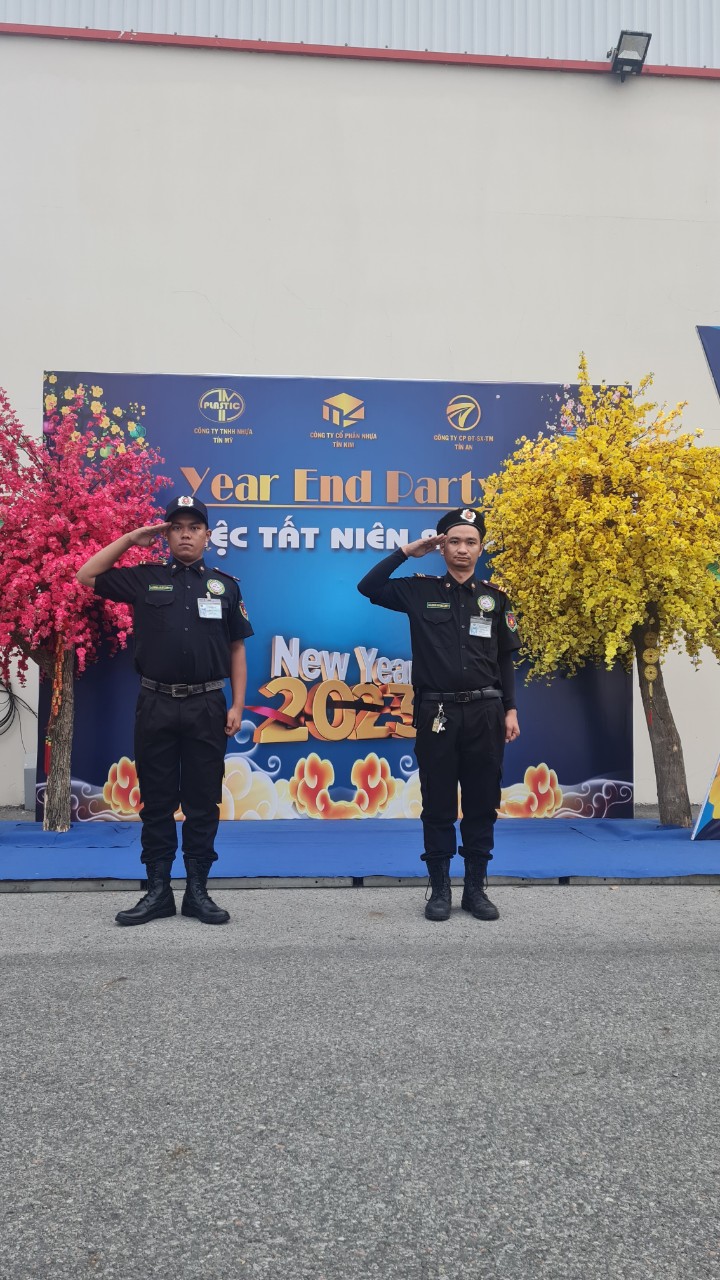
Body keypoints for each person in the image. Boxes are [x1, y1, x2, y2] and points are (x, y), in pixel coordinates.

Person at [76, 495, 253, 927]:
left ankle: (197, 892)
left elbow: (236, 648)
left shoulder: (225, 586)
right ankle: (157, 892)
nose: (185, 534)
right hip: (155, 702)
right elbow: (86, 575)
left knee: (202, 801)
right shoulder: (146, 578)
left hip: (207, 706)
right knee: (156, 801)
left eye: (194, 527)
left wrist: (237, 704)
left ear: (208, 536)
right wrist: (130, 538)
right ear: (166, 535)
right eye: (177, 527)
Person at [357, 508, 520, 922]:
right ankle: (441, 889)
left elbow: (505, 659)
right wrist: (407, 552)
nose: (462, 549)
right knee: (438, 801)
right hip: (437, 711)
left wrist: (510, 708)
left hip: (486, 710)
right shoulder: (418, 590)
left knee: (482, 802)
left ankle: (476, 890)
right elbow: (368, 587)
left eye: (470, 542)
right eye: (454, 541)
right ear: (441, 547)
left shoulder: (496, 598)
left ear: (480, 548)